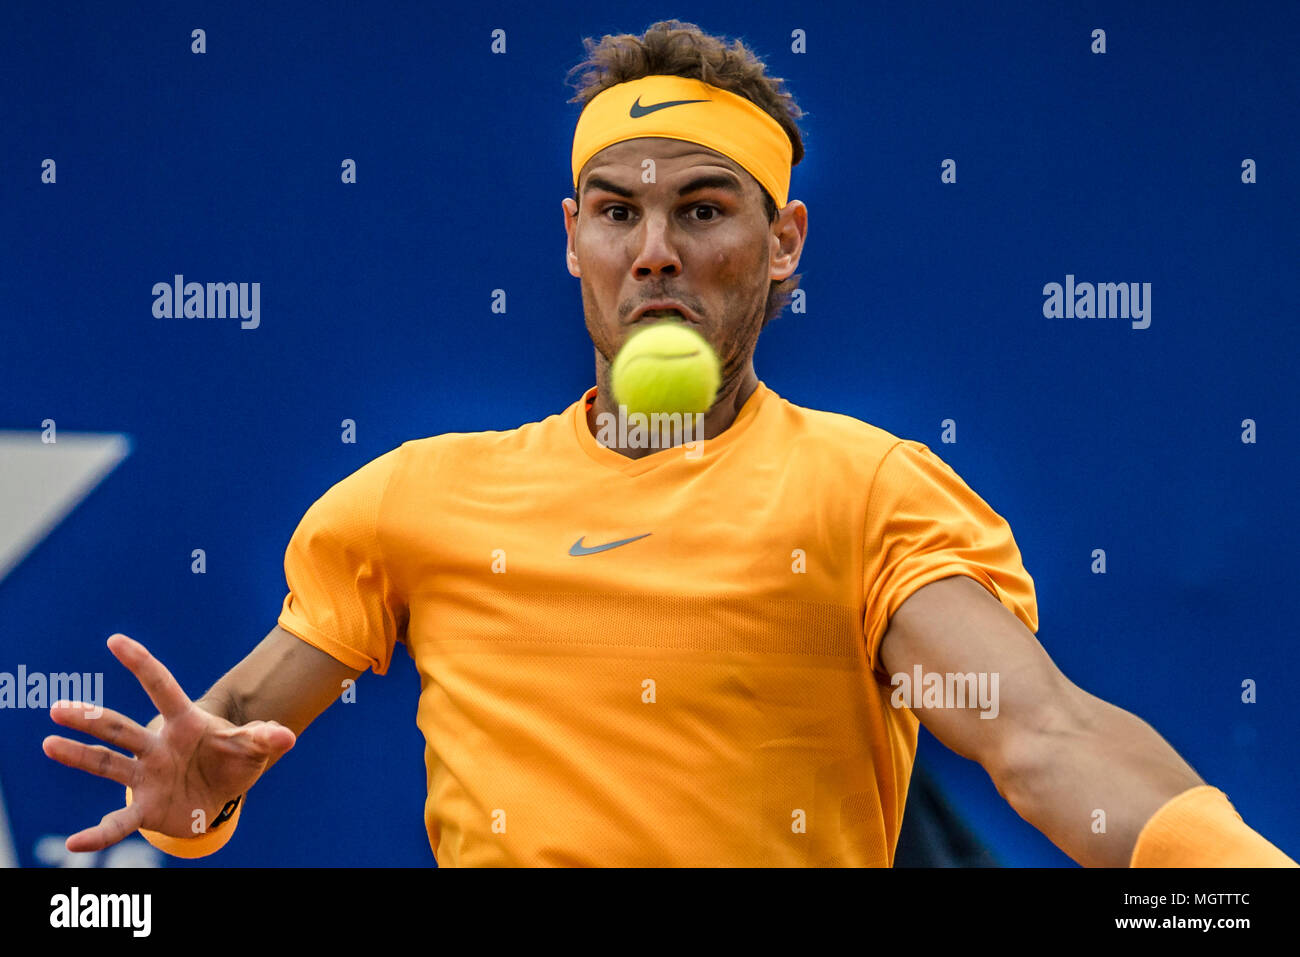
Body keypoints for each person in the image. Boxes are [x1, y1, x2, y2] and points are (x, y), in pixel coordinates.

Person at [43, 20, 1295, 868]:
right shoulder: (409, 503)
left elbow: (1043, 734)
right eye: (616, 211)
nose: (654, 250)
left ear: (784, 241)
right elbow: (228, 745)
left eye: (702, 210)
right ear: (571, 238)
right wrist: (198, 798)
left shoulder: (865, 494)